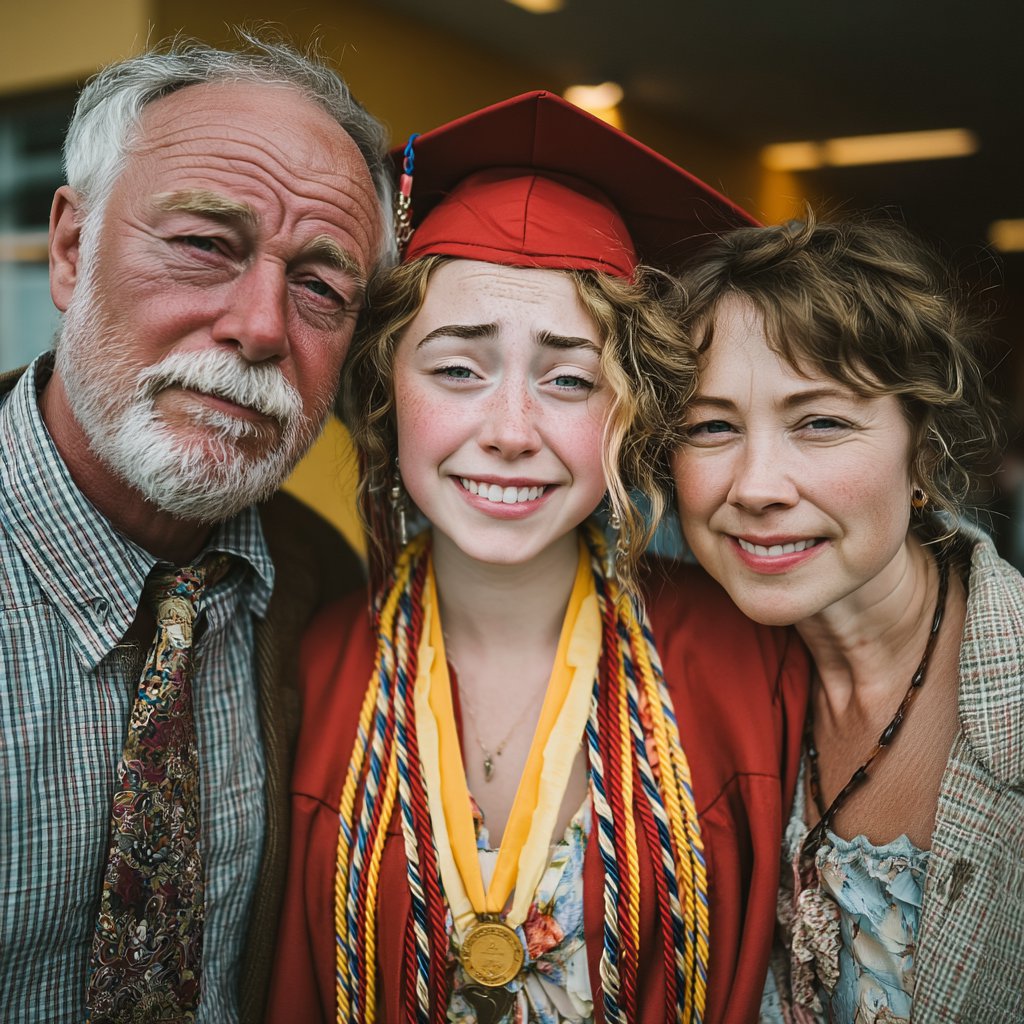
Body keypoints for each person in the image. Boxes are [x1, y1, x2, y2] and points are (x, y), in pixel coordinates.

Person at [267, 90, 809, 1024]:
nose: (511, 432)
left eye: (569, 378)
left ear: (630, 411)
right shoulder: (309, 670)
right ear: (386, 392)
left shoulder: (742, 661)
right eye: (457, 368)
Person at [0, 33, 394, 1024]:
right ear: (70, 247)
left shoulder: (327, 591)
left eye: (320, 286)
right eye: (204, 245)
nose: (261, 326)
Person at [671, 216, 1023, 1024]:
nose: (757, 486)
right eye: (712, 426)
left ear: (923, 451)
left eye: (820, 421)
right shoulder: (694, 686)